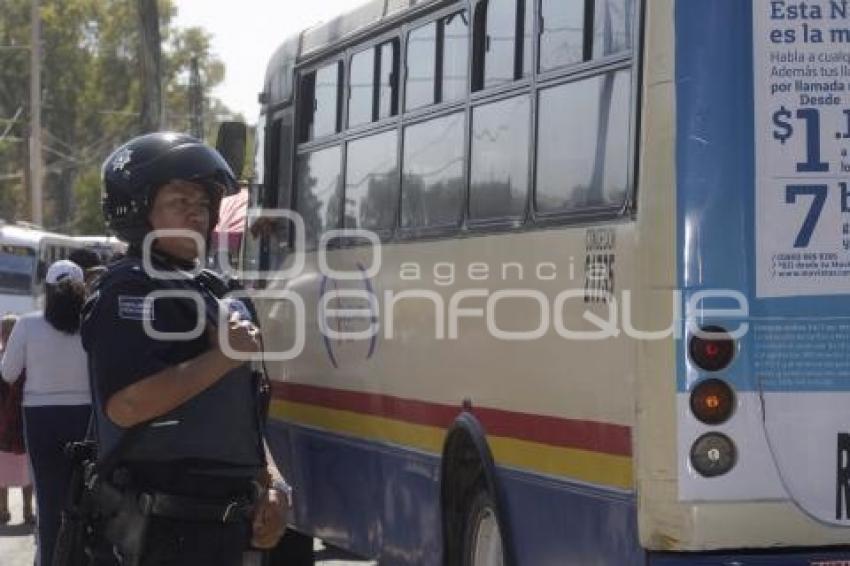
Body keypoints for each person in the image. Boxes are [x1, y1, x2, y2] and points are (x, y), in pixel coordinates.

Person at [80, 132, 290, 566]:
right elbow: (128, 403)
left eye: (203, 204)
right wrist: (224, 356)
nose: (196, 214)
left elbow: (241, 409)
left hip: (221, 531)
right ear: (137, 208)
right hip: (155, 532)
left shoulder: (211, 290)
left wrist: (272, 483)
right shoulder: (129, 288)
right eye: (180, 202)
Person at [0, 260, 92, 566]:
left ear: (48, 290)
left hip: (41, 419)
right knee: (85, 495)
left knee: (49, 501)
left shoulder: (28, 324)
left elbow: (9, 372)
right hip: (85, 416)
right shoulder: (94, 324)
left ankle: (52, 558)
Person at [0, 314, 35, 526]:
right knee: (25, 471)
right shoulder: (28, 360)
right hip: (22, 422)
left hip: (4, 425)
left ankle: (3, 511)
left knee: (3, 472)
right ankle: (27, 512)